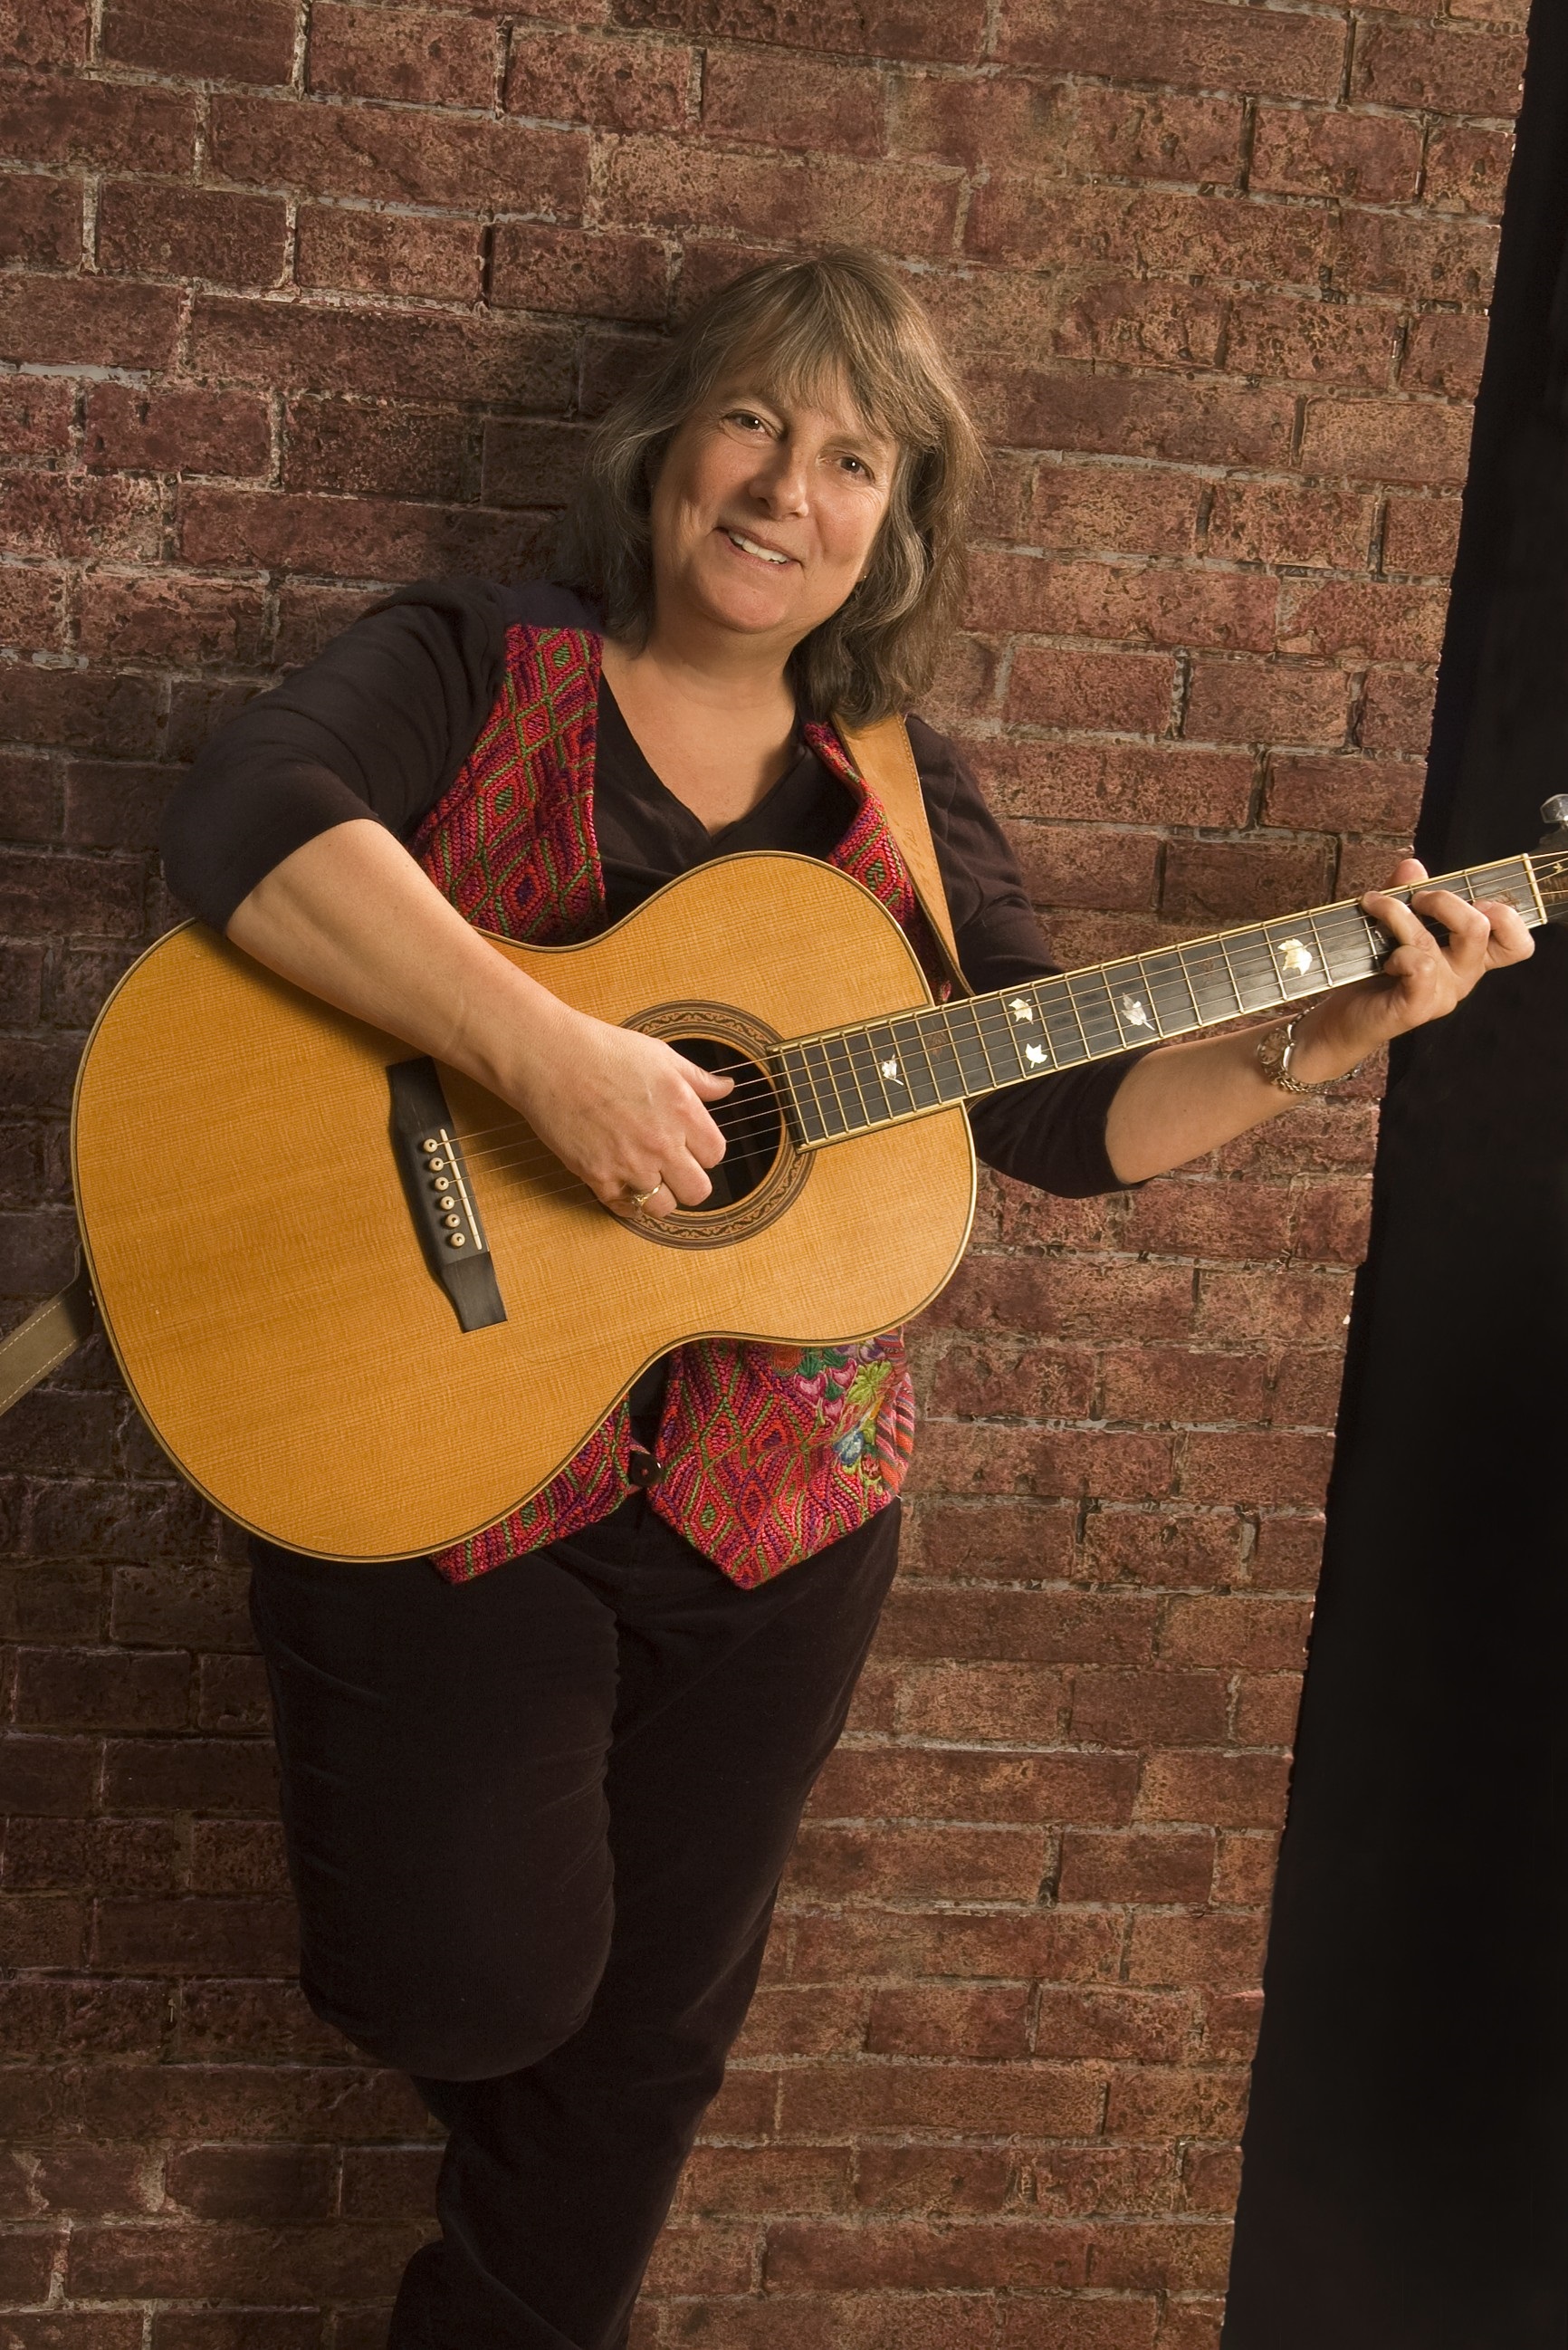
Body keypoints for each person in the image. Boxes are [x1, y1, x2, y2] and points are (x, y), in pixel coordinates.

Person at [159, 249, 1532, 2350]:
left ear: (892, 525)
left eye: (849, 459)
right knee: (472, 1990)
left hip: (780, 1504)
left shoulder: (893, 785)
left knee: (645, 2056)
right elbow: (246, 821)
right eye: (751, 422)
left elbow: (1048, 1111)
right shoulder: (472, 659)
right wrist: (554, 1060)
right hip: (444, 1465)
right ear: (663, 448)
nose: (782, 488)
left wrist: (1327, 1032)